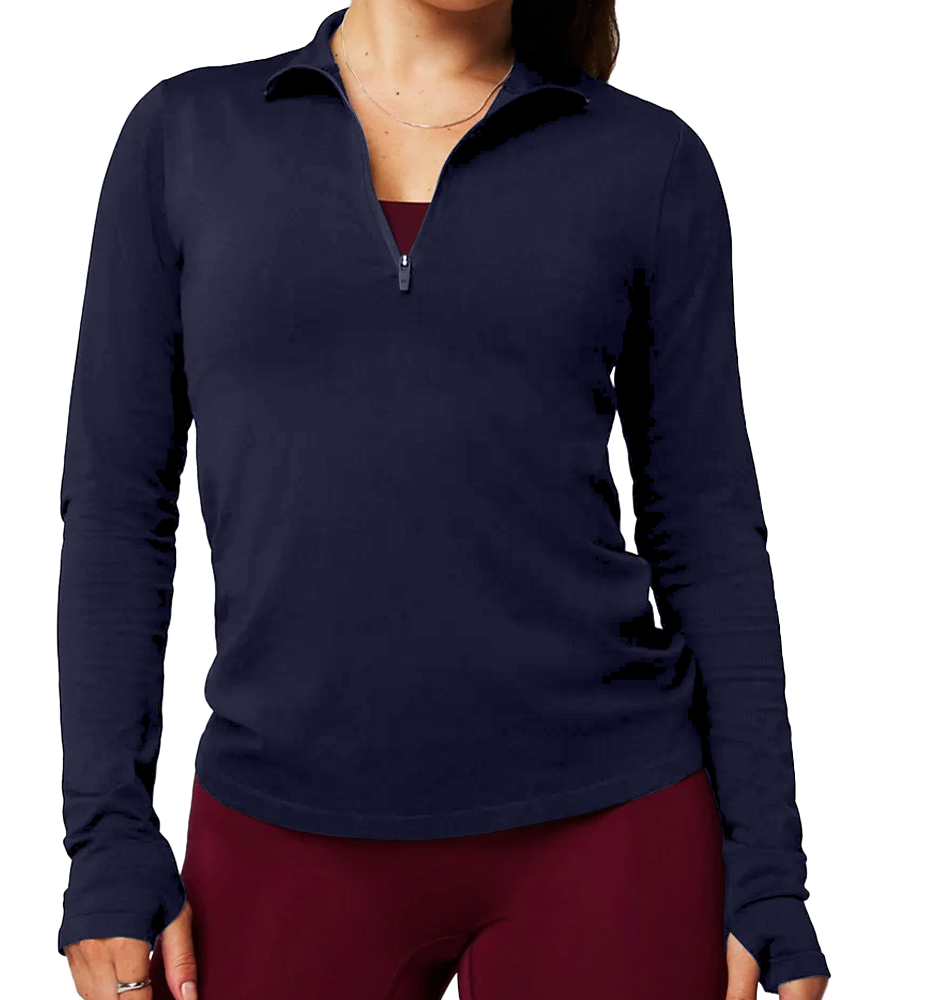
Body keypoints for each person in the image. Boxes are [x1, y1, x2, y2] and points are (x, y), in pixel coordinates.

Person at [56, 2, 831, 998]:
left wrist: (766, 864)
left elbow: (706, 532)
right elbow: (118, 510)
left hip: (609, 822)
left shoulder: (646, 159)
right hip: (280, 823)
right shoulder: (188, 136)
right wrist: (108, 838)